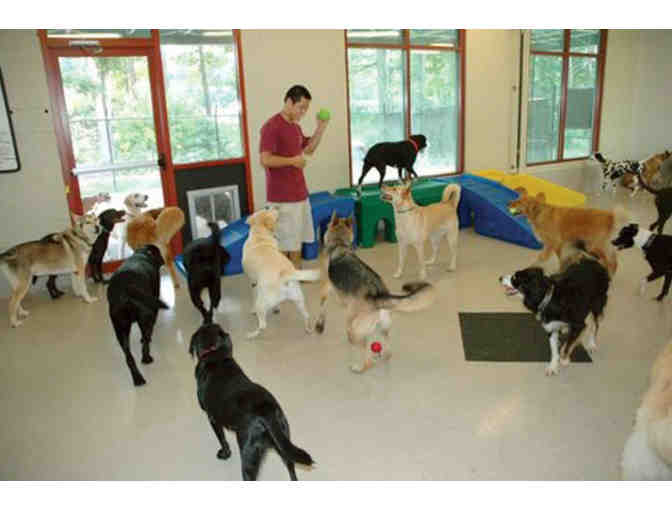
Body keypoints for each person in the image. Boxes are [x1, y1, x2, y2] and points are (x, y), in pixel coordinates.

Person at [259, 85, 329, 268]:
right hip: (282, 199)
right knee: (283, 246)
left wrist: (321, 128)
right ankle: (285, 279)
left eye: (306, 109)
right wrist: (292, 161)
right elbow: (265, 159)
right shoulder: (271, 126)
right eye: (301, 107)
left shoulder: (295, 127)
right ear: (289, 102)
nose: (303, 112)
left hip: (299, 195)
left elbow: (309, 149)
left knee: (296, 243)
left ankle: (295, 276)